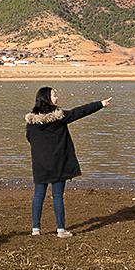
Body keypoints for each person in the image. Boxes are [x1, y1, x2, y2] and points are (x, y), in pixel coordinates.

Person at [25, 86, 110, 237]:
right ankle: (61, 230)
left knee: (39, 194)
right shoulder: (59, 117)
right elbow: (80, 111)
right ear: (47, 99)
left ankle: (35, 229)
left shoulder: (31, 121)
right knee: (57, 196)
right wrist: (100, 104)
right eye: (54, 95)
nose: (57, 98)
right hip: (58, 163)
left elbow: (29, 139)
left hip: (40, 164)